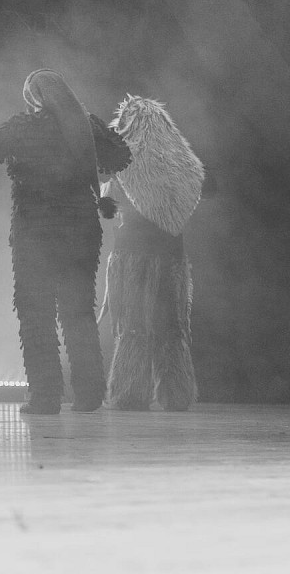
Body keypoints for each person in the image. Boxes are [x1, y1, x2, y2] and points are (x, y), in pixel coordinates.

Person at [0, 69, 132, 414]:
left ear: (34, 98)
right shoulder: (86, 126)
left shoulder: (24, 127)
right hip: (82, 230)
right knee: (79, 312)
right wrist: (92, 125)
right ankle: (89, 394)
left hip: (35, 233)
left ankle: (45, 397)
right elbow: (120, 155)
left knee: (36, 314)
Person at [100, 96, 205, 411]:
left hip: (133, 253)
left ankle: (130, 393)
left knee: (133, 324)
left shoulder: (125, 163)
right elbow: (194, 192)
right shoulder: (184, 164)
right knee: (172, 325)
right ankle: (177, 394)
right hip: (171, 254)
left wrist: (107, 196)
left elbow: (107, 208)